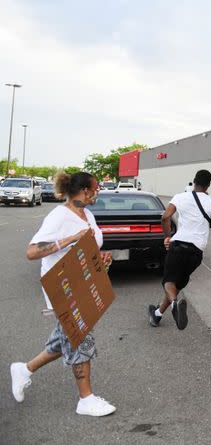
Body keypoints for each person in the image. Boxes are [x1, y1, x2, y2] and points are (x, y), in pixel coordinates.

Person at [10, 171, 116, 416]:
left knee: (66, 337)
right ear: (84, 191)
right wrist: (70, 239)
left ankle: (24, 369)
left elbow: (86, 246)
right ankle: (86, 399)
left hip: (82, 283)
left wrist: (99, 256)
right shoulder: (59, 216)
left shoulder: (87, 214)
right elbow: (32, 252)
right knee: (80, 337)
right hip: (62, 287)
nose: (98, 192)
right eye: (96, 188)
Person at [148, 170, 211, 330]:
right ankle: (157, 314)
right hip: (196, 252)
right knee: (177, 285)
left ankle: (174, 304)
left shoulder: (179, 197)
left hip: (178, 246)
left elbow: (165, 217)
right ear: (209, 185)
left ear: (194, 181)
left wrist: (167, 236)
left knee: (168, 282)